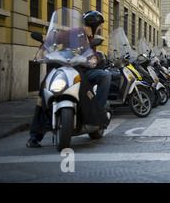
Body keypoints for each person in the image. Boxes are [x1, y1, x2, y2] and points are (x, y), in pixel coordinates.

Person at [26, 10, 111, 148]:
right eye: (99, 25)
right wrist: (41, 52)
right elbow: (52, 40)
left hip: (82, 72)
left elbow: (92, 57)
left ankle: (98, 112)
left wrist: (92, 61)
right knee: (44, 88)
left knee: (105, 76)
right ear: (94, 24)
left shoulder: (91, 38)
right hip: (63, 68)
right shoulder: (73, 33)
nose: (100, 28)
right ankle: (34, 136)